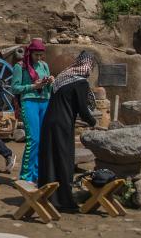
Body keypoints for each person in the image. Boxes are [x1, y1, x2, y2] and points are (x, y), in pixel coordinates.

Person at [39, 51, 98, 212]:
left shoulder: (63, 77)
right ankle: (64, 201)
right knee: (64, 160)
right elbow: (82, 109)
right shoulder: (80, 83)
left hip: (49, 122)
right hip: (62, 125)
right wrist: (93, 122)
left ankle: (48, 197)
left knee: (51, 158)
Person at [10, 39, 53, 183]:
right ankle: (26, 175)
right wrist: (33, 86)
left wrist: (49, 82)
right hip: (29, 102)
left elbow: (49, 88)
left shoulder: (44, 65)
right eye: (36, 55)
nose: (39, 58)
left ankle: (37, 173)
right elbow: (15, 88)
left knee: (43, 140)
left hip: (45, 102)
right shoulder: (20, 66)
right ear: (30, 53)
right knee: (33, 139)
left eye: (41, 55)